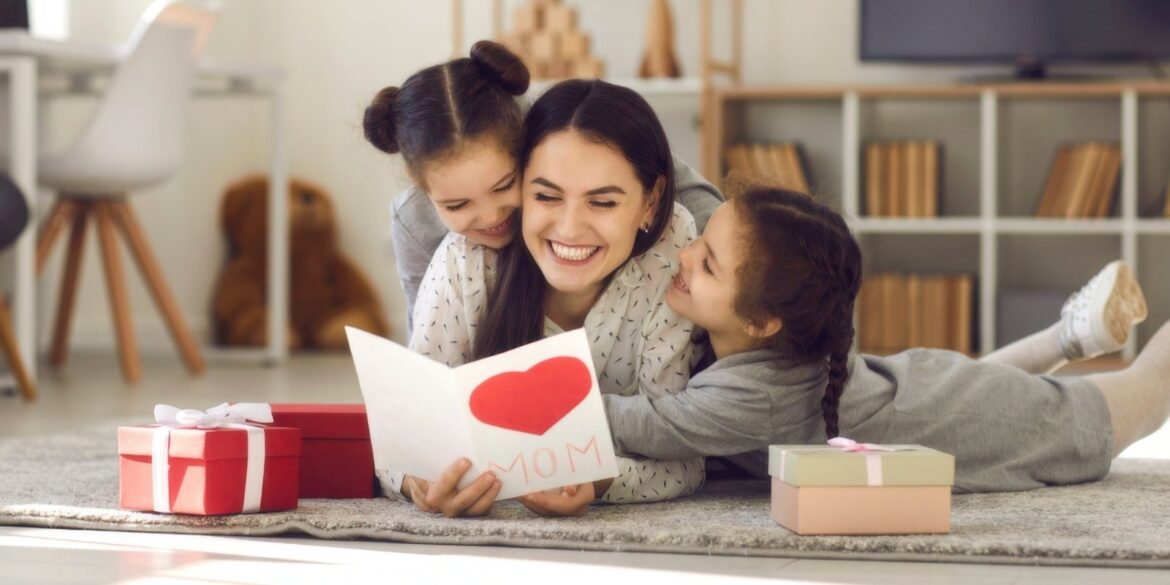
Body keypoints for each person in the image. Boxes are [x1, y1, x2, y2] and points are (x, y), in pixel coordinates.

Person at [603, 186, 1163, 493]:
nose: (684, 254)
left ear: (760, 322)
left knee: (1148, 389)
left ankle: (1073, 335)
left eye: (706, 264)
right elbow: (694, 189)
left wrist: (517, 393)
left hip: (974, 418)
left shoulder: (758, 398)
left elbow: (640, 425)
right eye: (698, 244)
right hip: (927, 386)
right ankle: (1071, 333)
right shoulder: (776, 318)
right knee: (989, 383)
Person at [371, 78, 713, 517]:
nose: (569, 229)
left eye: (603, 203)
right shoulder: (468, 257)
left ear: (651, 202)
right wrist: (419, 483)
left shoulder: (675, 246)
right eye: (546, 196)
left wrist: (602, 480)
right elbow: (401, 443)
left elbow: (682, 456)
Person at [365, 42, 722, 337]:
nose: (491, 216)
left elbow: (667, 179)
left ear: (522, 147)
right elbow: (426, 334)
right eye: (457, 204)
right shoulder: (417, 221)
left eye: (505, 185)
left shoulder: (553, 133)